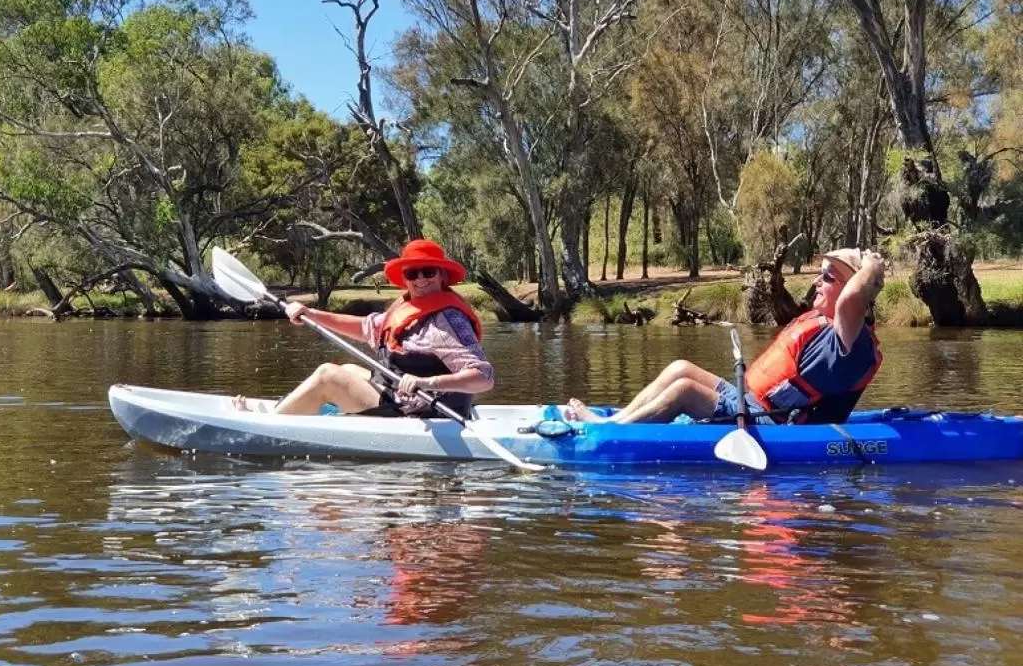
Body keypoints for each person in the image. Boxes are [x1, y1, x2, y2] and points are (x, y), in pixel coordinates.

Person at [566, 248, 886, 425]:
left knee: (684, 391)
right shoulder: (825, 322)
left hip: (769, 422)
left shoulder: (850, 342)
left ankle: (611, 435)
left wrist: (871, 268)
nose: (817, 281)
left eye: (828, 277)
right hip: (747, 400)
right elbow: (848, 299)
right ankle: (615, 421)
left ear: (851, 289)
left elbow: (852, 302)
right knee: (680, 368)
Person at [233, 239, 494, 416]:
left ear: (442, 275)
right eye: (412, 274)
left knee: (327, 375)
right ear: (405, 279)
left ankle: (271, 424)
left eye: (428, 272)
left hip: (424, 410)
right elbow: (365, 328)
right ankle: (298, 409)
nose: (421, 280)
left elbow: (483, 377)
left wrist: (427, 382)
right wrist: (310, 313)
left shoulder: (447, 320)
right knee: (346, 370)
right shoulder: (407, 306)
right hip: (399, 395)